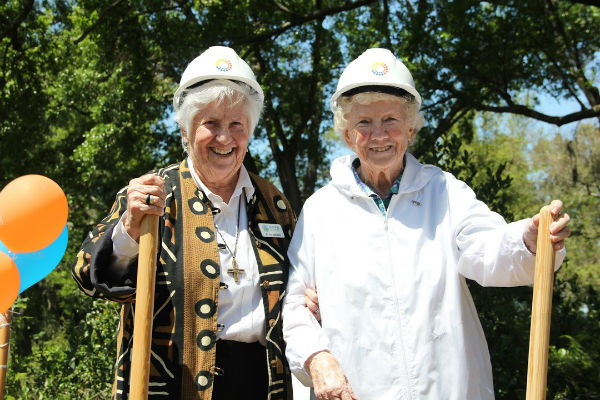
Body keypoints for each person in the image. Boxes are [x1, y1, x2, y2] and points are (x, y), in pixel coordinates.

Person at [282, 48, 572, 400]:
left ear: (411, 129)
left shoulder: (444, 192)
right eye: (364, 123)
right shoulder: (320, 211)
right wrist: (316, 357)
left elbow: (487, 249)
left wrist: (527, 240)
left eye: (390, 119)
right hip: (355, 392)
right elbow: (296, 305)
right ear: (346, 135)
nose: (378, 134)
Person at [72, 46, 297, 400]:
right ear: (186, 130)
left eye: (237, 124)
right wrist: (130, 229)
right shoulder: (152, 196)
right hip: (175, 385)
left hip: (263, 383)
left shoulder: (274, 203)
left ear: (250, 131)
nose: (225, 137)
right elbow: (91, 279)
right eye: (211, 123)